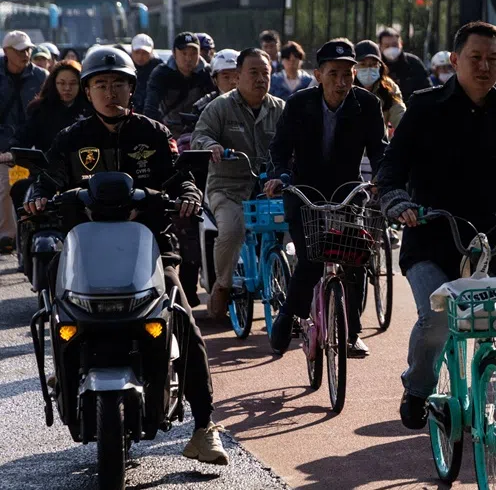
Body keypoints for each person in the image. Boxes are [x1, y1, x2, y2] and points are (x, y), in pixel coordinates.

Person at [24, 46, 229, 465]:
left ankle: (205, 426)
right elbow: (45, 179)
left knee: (183, 317)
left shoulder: (153, 134)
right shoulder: (72, 139)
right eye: (100, 84)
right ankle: (63, 378)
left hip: (151, 248)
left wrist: (188, 198)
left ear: (132, 88)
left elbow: (182, 178)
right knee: (58, 312)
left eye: (118, 83)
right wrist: (38, 197)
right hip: (85, 253)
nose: (110, 91)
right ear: (87, 91)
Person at [376, 21, 496, 431]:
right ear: (455, 60)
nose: (485, 66)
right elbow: (390, 172)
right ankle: (418, 388)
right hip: (428, 237)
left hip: (489, 239)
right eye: (475, 57)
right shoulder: (423, 107)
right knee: (437, 318)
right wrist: (397, 202)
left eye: (493, 58)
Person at [266, 38, 388, 358]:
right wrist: (279, 174)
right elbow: (279, 148)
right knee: (310, 260)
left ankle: (352, 333)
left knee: (355, 258)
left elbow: (379, 150)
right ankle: (289, 315)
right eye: (333, 74)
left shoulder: (368, 105)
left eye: (348, 73)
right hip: (303, 192)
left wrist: (382, 179)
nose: (342, 81)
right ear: (318, 75)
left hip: (347, 192)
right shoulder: (298, 103)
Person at [191, 48, 285, 318]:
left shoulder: (281, 109)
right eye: (253, 72)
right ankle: (221, 285)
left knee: (299, 229)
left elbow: (299, 142)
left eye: (265, 73)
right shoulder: (220, 106)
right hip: (227, 187)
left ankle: (292, 289)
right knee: (232, 230)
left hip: (269, 188)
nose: (260, 79)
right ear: (239, 75)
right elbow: (200, 135)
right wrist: (211, 146)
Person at [0, 31, 48, 253]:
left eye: (28, 49)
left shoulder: (41, 76)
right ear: (6, 51)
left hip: (33, 143)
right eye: (19, 50)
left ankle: (30, 230)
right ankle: (7, 236)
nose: (26, 54)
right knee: (3, 188)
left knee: (35, 187)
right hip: (2, 143)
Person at [143, 32, 214, 136]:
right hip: (168, 131)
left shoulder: (208, 73)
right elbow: (150, 107)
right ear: (174, 53)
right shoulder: (161, 73)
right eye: (184, 53)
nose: (188, 58)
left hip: (201, 130)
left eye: (193, 53)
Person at [354, 40, 406, 130]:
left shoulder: (389, 87)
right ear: (353, 67)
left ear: (380, 67)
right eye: (363, 64)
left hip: (379, 142)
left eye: (373, 64)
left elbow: (400, 116)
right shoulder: (345, 87)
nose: (369, 69)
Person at [377, 27, 430, 100]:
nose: (391, 48)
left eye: (394, 45)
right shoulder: (376, 65)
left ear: (401, 44)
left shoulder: (414, 63)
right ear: (380, 47)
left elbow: (427, 89)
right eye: (387, 46)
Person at [192, 49, 241, 115]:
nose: (233, 81)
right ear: (215, 80)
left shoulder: (255, 102)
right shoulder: (204, 107)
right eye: (226, 77)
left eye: (237, 76)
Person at [130, 33, 162, 116]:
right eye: (137, 52)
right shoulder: (125, 66)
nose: (140, 56)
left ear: (151, 52)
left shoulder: (159, 69)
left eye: (144, 53)